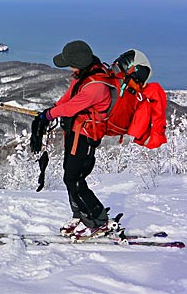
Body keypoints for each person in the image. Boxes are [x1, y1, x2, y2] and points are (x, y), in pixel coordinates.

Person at [35, 40, 115, 239]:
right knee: (69, 175)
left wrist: (49, 115)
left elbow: (72, 107)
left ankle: (99, 220)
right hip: (75, 132)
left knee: (75, 178)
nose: (68, 67)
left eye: (70, 63)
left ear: (79, 62)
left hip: (86, 136)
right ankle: (80, 215)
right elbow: (67, 99)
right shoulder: (83, 76)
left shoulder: (95, 86)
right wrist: (51, 110)